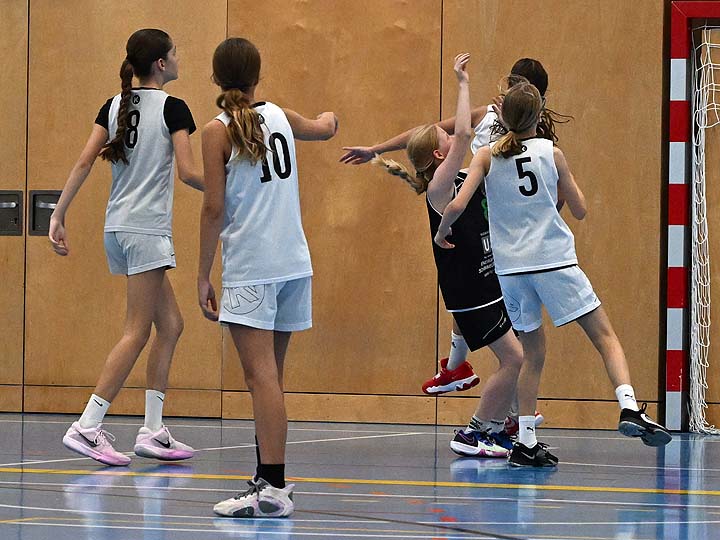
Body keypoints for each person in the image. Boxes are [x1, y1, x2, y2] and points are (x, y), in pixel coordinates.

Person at [434, 81, 672, 468]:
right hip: (554, 261)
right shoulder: (551, 153)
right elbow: (579, 209)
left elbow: (458, 204)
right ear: (539, 115)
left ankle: (526, 440)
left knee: (532, 355)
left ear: (502, 116)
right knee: (605, 337)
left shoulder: (486, 157)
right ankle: (628, 406)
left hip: (512, 271)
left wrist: (443, 231)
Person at [340, 59, 564, 431]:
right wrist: (377, 148)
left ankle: (489, 397)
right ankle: (486, 411)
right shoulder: (472, 139)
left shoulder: (528, 142)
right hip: (474, 243)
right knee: (513, 348)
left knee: (516, 346)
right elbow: (437, 133)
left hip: (496, 239)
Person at [49, 28, 202, 466]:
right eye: (175, 53)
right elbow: (189, 172)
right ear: (161, 64)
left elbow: (84, 161)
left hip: (116, 229)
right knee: (137, 331)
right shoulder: (173, 108)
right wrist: (232, 188)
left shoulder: (114, 105)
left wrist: (59, 214)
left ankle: (152, 430)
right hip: (146, 232)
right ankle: (87, 425)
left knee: (170, 325)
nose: (179, 58)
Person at [198, 37, 337, 518]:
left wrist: (202, 274)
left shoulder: (216, 131)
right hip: (293, 263)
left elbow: (213, 208)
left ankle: (274, 487)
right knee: (270, 378)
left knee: (261, 379)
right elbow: (323, 127)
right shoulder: (280, 115)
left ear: (216, 78)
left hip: (253, 267)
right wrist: (332, 118)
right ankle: (267, 479)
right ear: (258, 75)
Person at [373, 53, 523, 459]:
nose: (452, 135)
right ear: (441, 154)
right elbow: (464, 132)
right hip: (470, 292)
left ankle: (496, 426)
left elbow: (476, 146)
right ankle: (475, 431)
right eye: (445, 139)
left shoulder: (457, 175)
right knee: (514, 359)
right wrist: (462, 83)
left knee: (514, 358)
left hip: (484, 284)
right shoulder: (440, 187)